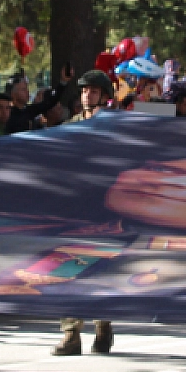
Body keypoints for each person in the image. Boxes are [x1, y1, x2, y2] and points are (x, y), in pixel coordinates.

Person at [54, 69, 120, 356]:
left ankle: (103, 325)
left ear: (104, 97)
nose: (86, 96)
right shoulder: (70, 127)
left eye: (93, 91)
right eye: (83, 91)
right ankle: (71, 334)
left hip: (107, 209)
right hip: (75, 209)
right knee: (70, 267)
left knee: (102, 268)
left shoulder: (116, 129)